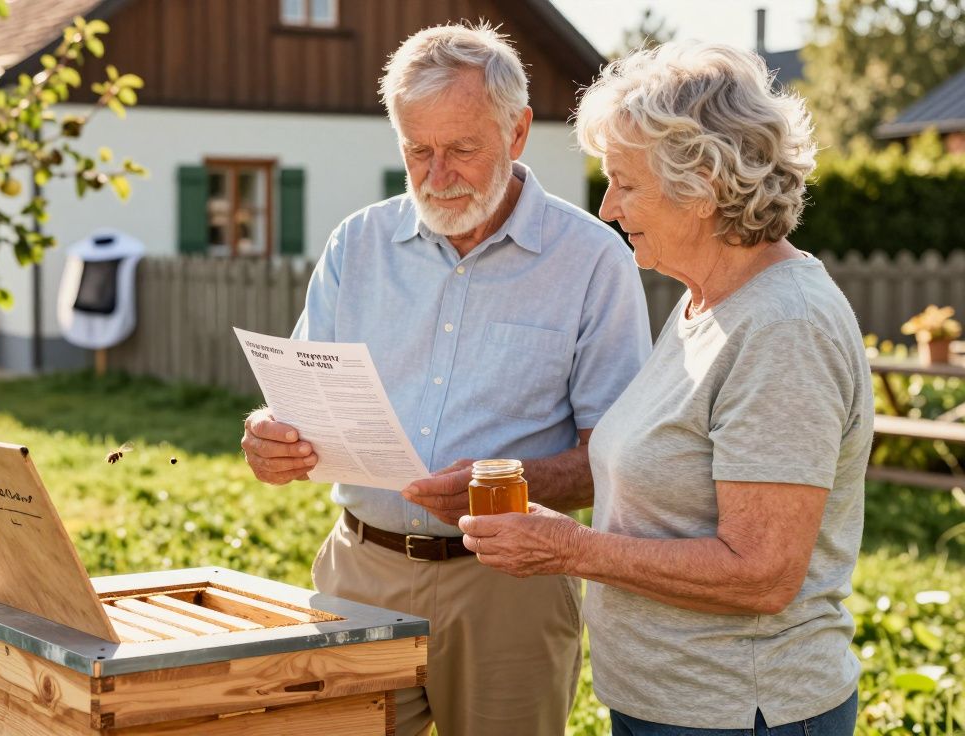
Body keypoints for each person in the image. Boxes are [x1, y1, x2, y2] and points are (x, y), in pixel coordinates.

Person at [240, 22, 651, 736]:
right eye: (417, 151)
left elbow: (614, 463)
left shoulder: (592, 261)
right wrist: (269, 437)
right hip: (360, 573)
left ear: (517, 132)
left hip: (511, 588)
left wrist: (503, 486)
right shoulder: (356, 244)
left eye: (461, 149)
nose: (436, 176)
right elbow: (298, 404)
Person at [457, 42, 872, 734]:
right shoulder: (705, 302)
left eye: (624, 183)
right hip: (670, 703)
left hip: (741, 712)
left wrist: (572, 549)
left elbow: (763, 573)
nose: (609, 208)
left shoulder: (783, 327)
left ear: (700, 185)